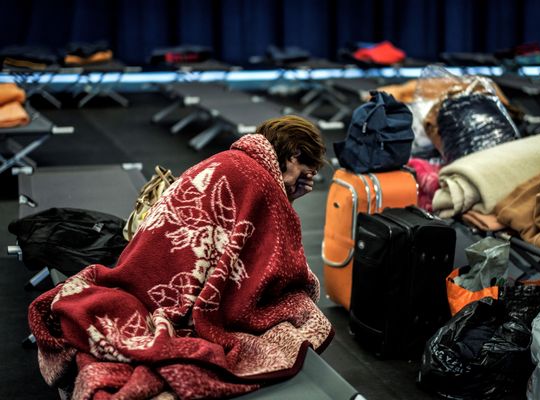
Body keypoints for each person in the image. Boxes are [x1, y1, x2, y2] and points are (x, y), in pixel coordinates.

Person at [28, 115, 333, 400]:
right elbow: (284, 265)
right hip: (175, 297)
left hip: (142, 272)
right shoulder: (262, 183)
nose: (301, 183)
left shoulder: (227, 160)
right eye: (304, 174)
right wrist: (284, 196)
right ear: (293, 154)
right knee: (301, 310)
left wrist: (286, 194)